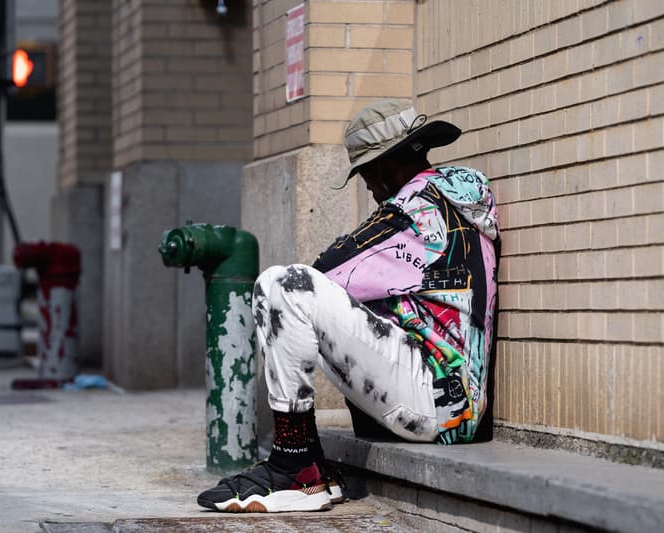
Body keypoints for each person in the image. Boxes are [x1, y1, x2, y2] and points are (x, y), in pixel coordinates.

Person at [197, 99, 500, 513]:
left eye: (365, 176)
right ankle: (304, 465)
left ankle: (296, 466)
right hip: (460, 405)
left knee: (283, 286)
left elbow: (320, 275)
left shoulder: (409, 214)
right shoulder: (455, 200)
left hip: (434, 403)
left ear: (380, 167)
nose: (370, 189)